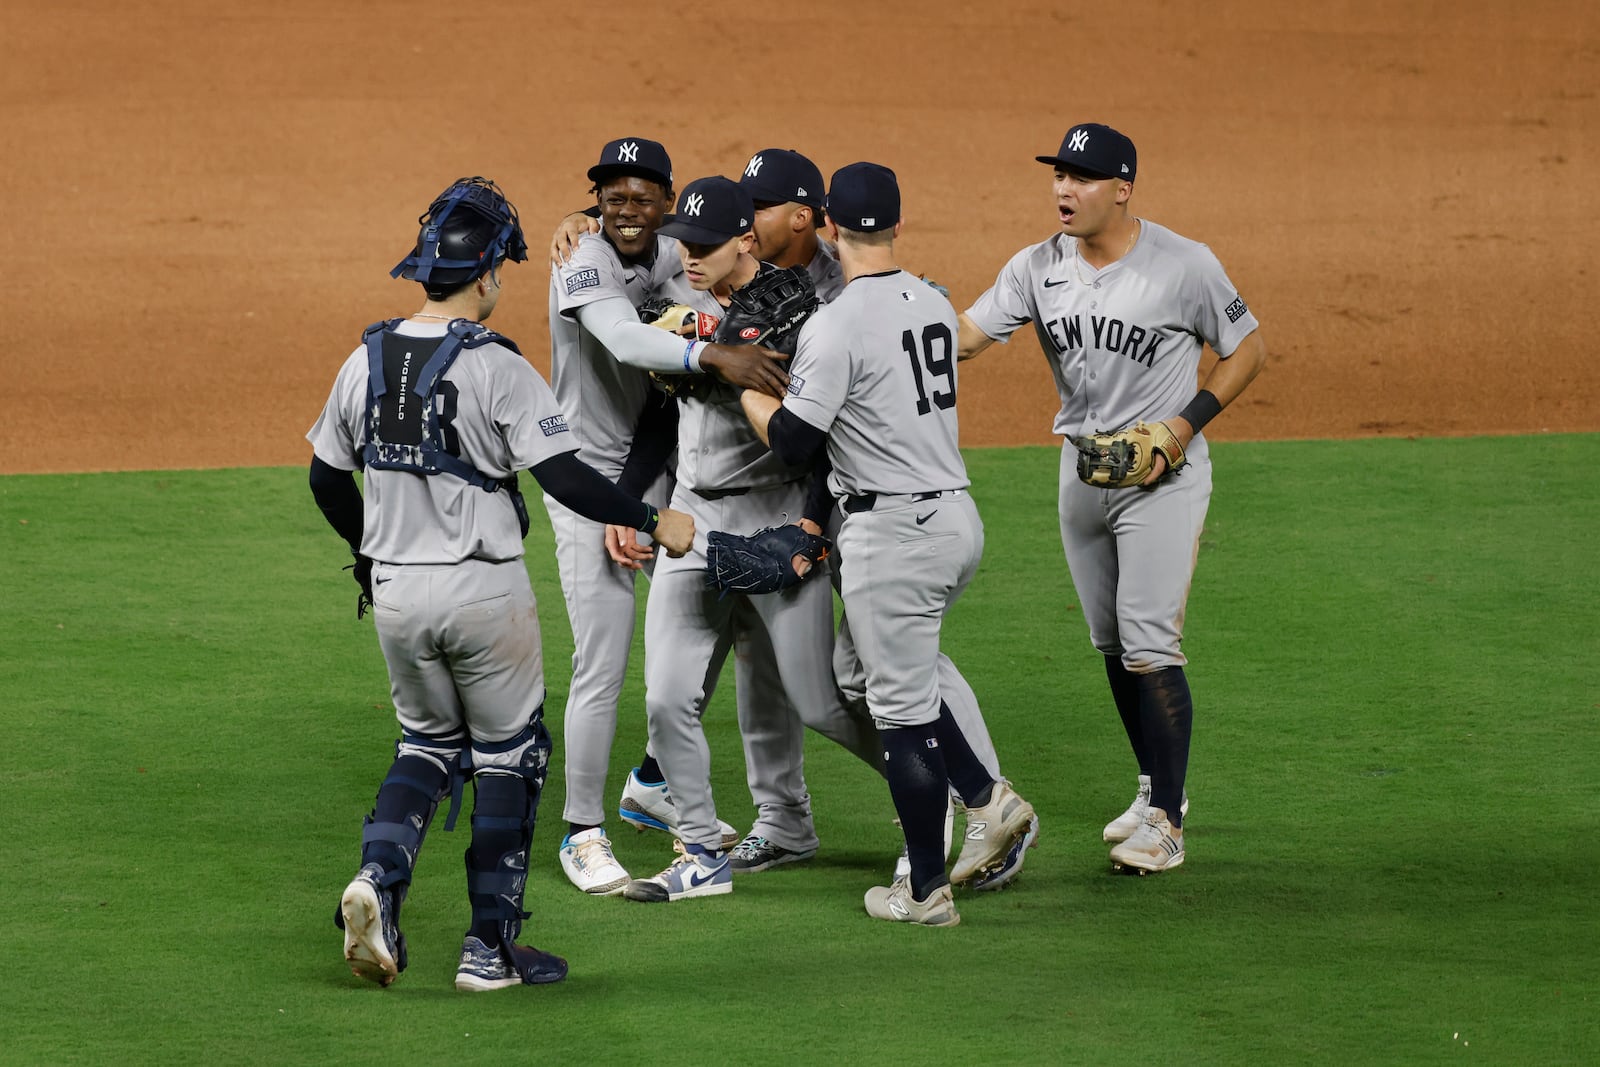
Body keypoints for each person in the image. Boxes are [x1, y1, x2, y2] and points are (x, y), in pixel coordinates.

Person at [306, 176, 695, 990]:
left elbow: (325, 478)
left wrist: (370, 551)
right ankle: (490, 950)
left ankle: (377, 879)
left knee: (424, 744)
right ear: (485, 274)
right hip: (485, 594)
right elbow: (564, 478)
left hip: (400, 596)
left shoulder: (363, 356)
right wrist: (654, 518)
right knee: (512, 755)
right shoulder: (496, 366)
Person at [956, 123, 1268, 873]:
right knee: (1111, 642)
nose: (1065, 189)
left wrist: (1182, 427)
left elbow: (1247, 348)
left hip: (1162, 477)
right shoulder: (1037, 267)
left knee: (1151, 642)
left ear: (1122, 189)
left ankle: (1167, 819)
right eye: (1059, 174)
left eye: (1083, 177)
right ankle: (1152, 784)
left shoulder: (1183, 265)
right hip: (1083, 471)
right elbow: (964, 334)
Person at [740, 163, 1037, 926]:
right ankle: (985, 794)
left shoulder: (835, 324)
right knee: (860, 669)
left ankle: (927, 889)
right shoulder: (933, 302)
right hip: (953, 519)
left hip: (893, 534)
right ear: (897, 226)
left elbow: (797, 442)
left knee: (901, 710)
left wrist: (741, 383)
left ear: (830, 227)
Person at [604, 175, 883, 902]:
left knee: (817, 701)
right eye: (683, 245)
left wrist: (813, 524)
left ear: (745, 242)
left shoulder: (799, 314)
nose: (689, 257)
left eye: (704, 246)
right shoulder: (671, 311)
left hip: (777, 517)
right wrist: (632, 501)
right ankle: (701, 850)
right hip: (695, 523)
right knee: (666, 700)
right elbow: (658, 409)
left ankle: (955, 790)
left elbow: (827, 434)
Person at [545, 137, 751, 895]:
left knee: (713, 621)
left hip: (657, 477)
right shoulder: (583, 257)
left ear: (668, 201)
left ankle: (654, 782)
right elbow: (629, 341)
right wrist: (709, 355)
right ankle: (582, 828)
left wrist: (643, 498)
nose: (624, 210)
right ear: (595, 200)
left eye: (641, 197)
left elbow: (665, 400)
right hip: (584, 478)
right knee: (602, 660)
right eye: (610, 197)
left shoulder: (675, 256)